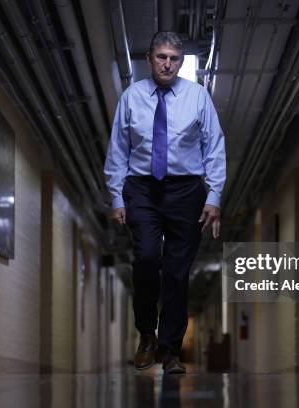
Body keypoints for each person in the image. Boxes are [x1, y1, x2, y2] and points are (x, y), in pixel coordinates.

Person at [104, 31, 226, 374]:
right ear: (149, 58)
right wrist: (116, 195)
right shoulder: (132, 97)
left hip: (187, 190)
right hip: (142, 187)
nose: (168, 64)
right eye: (162, 57)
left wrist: (214, 195)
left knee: (176, 272)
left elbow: (214, 146)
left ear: (181, 61)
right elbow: (118, 149)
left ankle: (170, 350)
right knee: (145, 257)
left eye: (174, 58)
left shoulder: (198, 97)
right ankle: (146, 333)